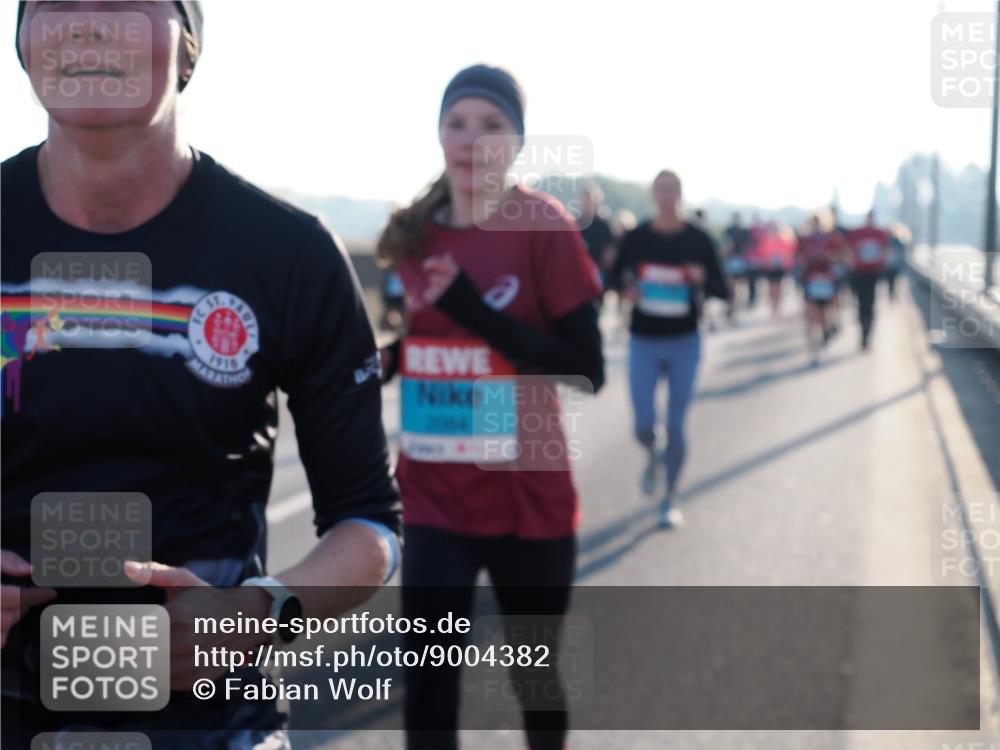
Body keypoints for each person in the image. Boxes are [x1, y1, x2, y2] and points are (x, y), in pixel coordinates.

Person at [1, 3, 400, 747]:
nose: (90, 25)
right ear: (22, 42)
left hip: (219, 728)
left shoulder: (289, 256)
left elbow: (370, 522)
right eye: (57, 2)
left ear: (188, 44)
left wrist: (257, 614)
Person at [376, 64, 604, 750]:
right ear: (438, 133)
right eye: (457, 123)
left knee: (533, 677)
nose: (472, 140)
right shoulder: (416, 232)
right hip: (435, 496)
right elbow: (429, 338)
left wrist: (474, 311)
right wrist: (385, 359)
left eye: (493, 125)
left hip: (526, 498)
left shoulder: (543, 226)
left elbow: (585, 368)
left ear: (519, 141)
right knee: (429, 685)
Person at [608, 170, 730, 529]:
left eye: (672, 190)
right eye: (660, 190)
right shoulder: (637, 237)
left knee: (676, 425)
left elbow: (724, 287)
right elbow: (613, 277)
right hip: (644, 340)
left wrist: (702, 279)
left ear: (680, 194)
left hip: (684, 342)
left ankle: (670, 496)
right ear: (652, 195)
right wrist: (626, 291)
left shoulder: (699, 239)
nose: (666, 196)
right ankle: (652, 452)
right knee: (644, 424)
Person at [795, 214, 847, 364]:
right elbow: (798, 258)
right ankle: (814, 352)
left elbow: (843, 256)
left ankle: (827, 332)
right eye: (814, 223)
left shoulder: (833, 238)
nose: (817, 226)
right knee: (811, 318)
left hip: (828, 282)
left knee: (826, 314)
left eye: (819, 223)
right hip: (810, 282)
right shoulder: (805, 240)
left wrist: (830, 258)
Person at [846, 209, 891, 350]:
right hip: (858, 274)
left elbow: (885, 251)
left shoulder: (880, 234)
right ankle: (862, 328)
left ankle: (867, 334)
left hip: (873, 274)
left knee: (870, 304)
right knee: (860, 304)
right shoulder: (857, 233)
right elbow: (848, 249)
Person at [577, 181, 618, 290]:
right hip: (577, 272)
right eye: (585, 199)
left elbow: (610, 252)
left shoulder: (604, 225)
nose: (587, 203)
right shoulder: (575, 224)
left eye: (590, 199)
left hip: (597, 273)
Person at [721, 212, 753, 318]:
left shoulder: (742, 231)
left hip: (739, 259)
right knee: (732, 284)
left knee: (739, 284)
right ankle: (733, 304)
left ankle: (735, 304)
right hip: (732, 259)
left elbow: (748, 244)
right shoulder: (729, 230)